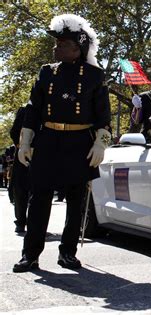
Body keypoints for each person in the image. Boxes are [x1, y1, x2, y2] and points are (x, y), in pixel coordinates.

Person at [13, 14, 111, 273]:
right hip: (48, 141)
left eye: (62, 43)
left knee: (76, 202)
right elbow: (33, 109)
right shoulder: (47, 72)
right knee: (39, 199)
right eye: (56, 43)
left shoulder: (94, 75)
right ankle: (30, 255)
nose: (55, 48)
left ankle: (67, 252)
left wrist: (100, 144)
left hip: (80, 143)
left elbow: (104, 116)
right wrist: (25, 142)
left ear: (78, 48)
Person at [9, 105, 30, 233]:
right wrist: (22, 147)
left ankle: (35, 223)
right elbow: (14, 131)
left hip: (42, 156)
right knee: (20, 191)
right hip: (23, 155)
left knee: (39, 192)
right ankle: (20, 222)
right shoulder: (25, 111)